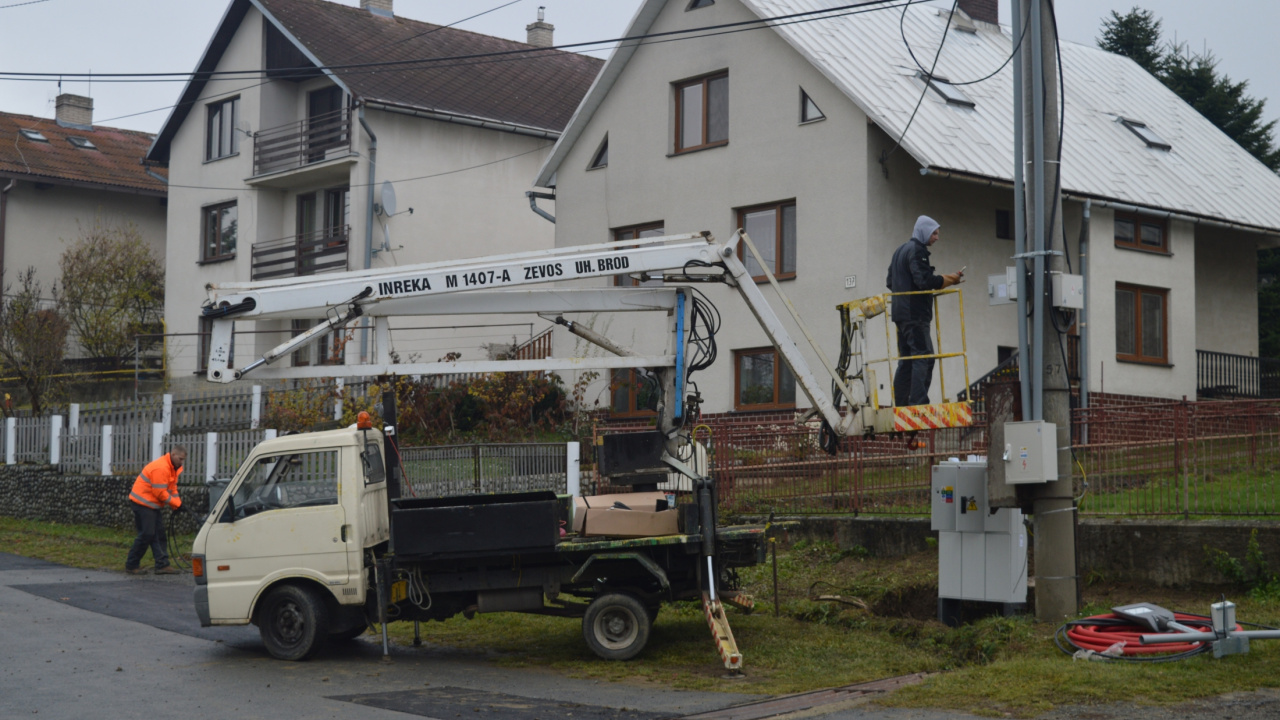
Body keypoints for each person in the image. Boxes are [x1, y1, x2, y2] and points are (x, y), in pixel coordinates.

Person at [886, 216, 964, 408]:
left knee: (906, 361)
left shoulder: (899, 250)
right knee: (924, 357)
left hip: (900, 314)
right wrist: (949, 279)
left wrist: (947, 278)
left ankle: (901, 404)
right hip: (915, 315)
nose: (937, 237)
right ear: (923, 231)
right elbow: (924, 281)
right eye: (934, 233)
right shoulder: (917, 250)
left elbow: (889, 282)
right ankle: (918, 404)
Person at [125, 446, 187, 575]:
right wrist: (176, 504)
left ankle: (162, 565)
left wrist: (177, 504)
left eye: (183, 460)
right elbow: (159, 492)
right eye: (180, 459)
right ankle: (132, 565)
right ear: (173, 454)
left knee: (159, 534)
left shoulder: (172, 468)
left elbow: (172, 488)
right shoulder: (161, 468)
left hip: (151, 504)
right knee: (147, 534)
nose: (182, 462)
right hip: (142, 503)